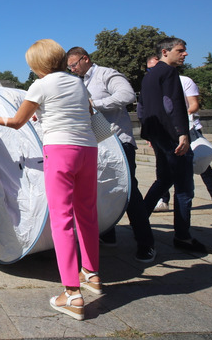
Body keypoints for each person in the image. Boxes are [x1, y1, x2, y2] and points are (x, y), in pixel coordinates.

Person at [0, 40, 100, 321]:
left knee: (62, 220)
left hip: (60, 151)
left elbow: (17, 122)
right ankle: (92, 274)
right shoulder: (77, 82)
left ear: (37, 64)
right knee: (87, 214)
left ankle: (72, 293)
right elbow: (85, 114)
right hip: (89, 150)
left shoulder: (40, 86)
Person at [66, 47, 155, 263]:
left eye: (74, 64)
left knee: (129, 191)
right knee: (101, 189)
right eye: (69, 67)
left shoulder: (106, 74)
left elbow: (127, 95)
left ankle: (146, 243)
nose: (72, 69)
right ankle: (108, 233)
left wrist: (94, 105)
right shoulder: (78, 81)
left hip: (118, 142)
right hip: (96, 144)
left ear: (85, 59)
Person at [140, 39, 212, 254]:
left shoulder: (150, 75)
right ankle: (182, 236)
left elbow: (143, 108)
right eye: (180, 51)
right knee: (184, 188)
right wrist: (182, 133)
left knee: (164, 179)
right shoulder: (169, 73)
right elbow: (174, 105)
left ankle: (140, 220)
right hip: (171, 135)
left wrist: (150, 133)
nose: (185, 54)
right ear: (165, 52)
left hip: (157, 134)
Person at [146, 55, 212, 216]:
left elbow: (193, 105)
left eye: (155, 67)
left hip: (188, 130)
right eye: (150, 69)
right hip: (163, 133)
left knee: (202, 165)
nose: (154, 71)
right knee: (163, 168)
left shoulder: (184, 81)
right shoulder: (153, 84)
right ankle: (163, 201)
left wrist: (179, 121)